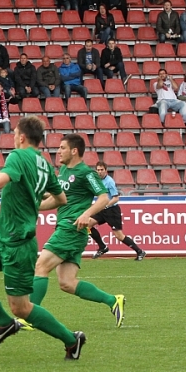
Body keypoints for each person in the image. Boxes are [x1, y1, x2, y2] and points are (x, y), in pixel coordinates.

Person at [0, 117, 85, 356]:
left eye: (14, 134)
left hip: (18, 244)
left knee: (21, 308)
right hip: (2, 237)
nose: (13, 138)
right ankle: (4, 323)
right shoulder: (44, 164)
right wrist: (35, 205)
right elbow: (61, 199)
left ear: (21, 137)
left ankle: (72, 340)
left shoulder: (18, 156)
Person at [30, 132, 127, 327]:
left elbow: (104, 198)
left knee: (40, 267)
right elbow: (57, 200)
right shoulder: (64, 171)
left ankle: (29, 317)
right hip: (71, 230)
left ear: (74, 151)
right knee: (66, 283)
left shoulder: (86, 173)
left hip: (71, 228)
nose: (58, 152)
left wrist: (86, 214)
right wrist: (33, 206)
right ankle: (113, 300)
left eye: (62, 148)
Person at [88, 162, 145, 260]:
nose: (100, 172)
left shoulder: (109, 181)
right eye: (98, 170)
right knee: (87, 224)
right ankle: (102, 247)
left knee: (119, 235)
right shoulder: (97, 181)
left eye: (102, 170)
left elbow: (116, 198)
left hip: (112, 210)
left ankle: (139, 251)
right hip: (102, 209)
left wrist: (106, 205)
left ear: (106, 170)